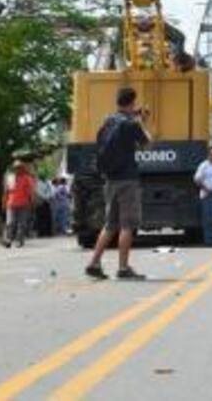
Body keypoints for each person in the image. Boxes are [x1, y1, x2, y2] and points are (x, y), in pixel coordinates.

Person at [86, 86, 152, 279]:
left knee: (109, 225)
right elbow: (147, 143)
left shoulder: (108, 121)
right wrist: (142, 122)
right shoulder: (131, 125)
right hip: (128, 180)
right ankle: (123, 268)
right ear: (132, 102)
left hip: (110, 179)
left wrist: (134, 117)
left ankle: (94, 263)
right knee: (127, 225)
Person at [194, 146, 212, 247]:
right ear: (208, 155)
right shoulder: (204, 166)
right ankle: (209, 241)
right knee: (209, 219)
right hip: (208, 196)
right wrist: (206, 189)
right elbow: (197, 179)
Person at [2, 161, 36, 248]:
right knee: (10, 222)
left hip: (24, 204)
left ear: (22, 169)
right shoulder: (10, 178)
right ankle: (8, 239)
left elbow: (30, 192)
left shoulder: (26, 178)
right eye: (16, 168)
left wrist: (32, 202)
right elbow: (6, 191)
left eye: (19, 168)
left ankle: (19, 240)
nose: (17, 170)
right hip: (11, 203)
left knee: (22, 223)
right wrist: (4, 202)